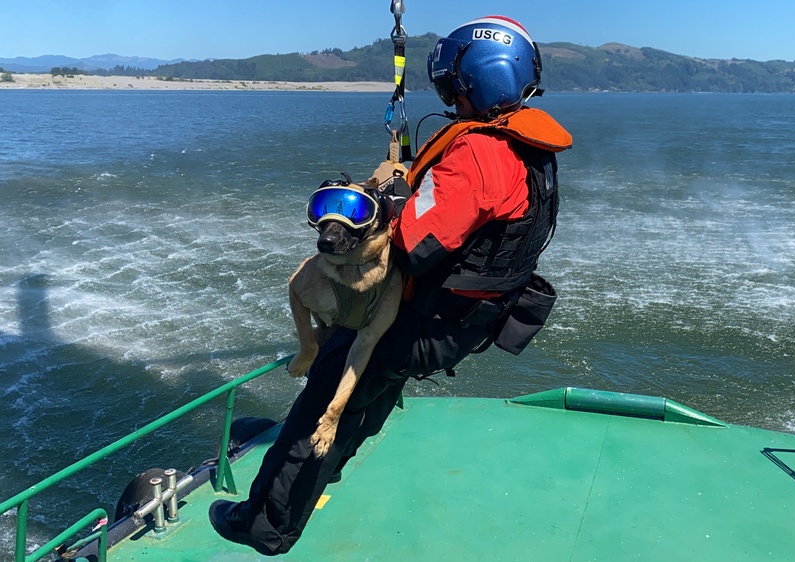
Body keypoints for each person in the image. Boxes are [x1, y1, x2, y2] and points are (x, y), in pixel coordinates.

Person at [209, 15, 572, 556]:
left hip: (430, 322)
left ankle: (265, 523)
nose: (448, 91)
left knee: (324, 396)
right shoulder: (526, 147)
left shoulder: (479, 153)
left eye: (453, 82)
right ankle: (331, 463)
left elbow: (417, 244)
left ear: (475, 79)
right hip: (470, 320)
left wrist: (390, 199)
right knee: (371, 388)